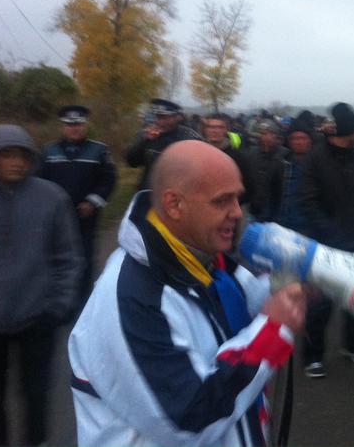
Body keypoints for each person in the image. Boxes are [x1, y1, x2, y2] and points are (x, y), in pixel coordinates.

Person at [68, 141, 306, 447]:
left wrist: (288, 290)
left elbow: (241, 300)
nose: (237, 212)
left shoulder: (200, 257)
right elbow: (191, 420)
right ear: (174, 205)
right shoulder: (130, 297)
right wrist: (271, 330)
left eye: (238, 198)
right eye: (222, 201)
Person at [0, 124, 83, 446]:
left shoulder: (52, 198)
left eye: (21, 155)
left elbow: (69, 257)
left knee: (36, 396)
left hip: (37, 317)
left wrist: (58, 306)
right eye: (6, 154)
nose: (15, 161)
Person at [299, 102, 354, 377]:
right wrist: (331, 232)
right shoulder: (315, 159)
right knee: (320, 303)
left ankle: (352, 346)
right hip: (326, 243)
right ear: (348, 131)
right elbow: (308, 202)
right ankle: (313, 356)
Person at [40, 105, 117, 305]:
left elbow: (109, 180)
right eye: (70, 125)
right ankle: (57, 299)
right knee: (55, 257)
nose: (75, 128)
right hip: (55, 218)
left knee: (83, 258)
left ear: (85, 125)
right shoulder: (49, 151)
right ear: (63, 126)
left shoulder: (99, 150)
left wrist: (93, 201)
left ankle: (83, 302)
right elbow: (39, 182)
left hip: (85, 216)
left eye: (79, 124)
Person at [126, 98, 202, 189]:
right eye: (157, 117)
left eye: (164, 118)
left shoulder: (190, 138)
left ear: (176, 118)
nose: (159, 122)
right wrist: (144, 141)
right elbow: (132, 162)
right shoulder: (146, 133)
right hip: (149, 191)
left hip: (178, 191)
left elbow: (198, 170)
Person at [200, 113, 255, 206]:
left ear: (226, 130)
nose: (215, 131)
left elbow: (249, 186)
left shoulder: (238, 157)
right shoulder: (196, 153)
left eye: (220, 127)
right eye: (211, 127)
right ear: (205, 130)